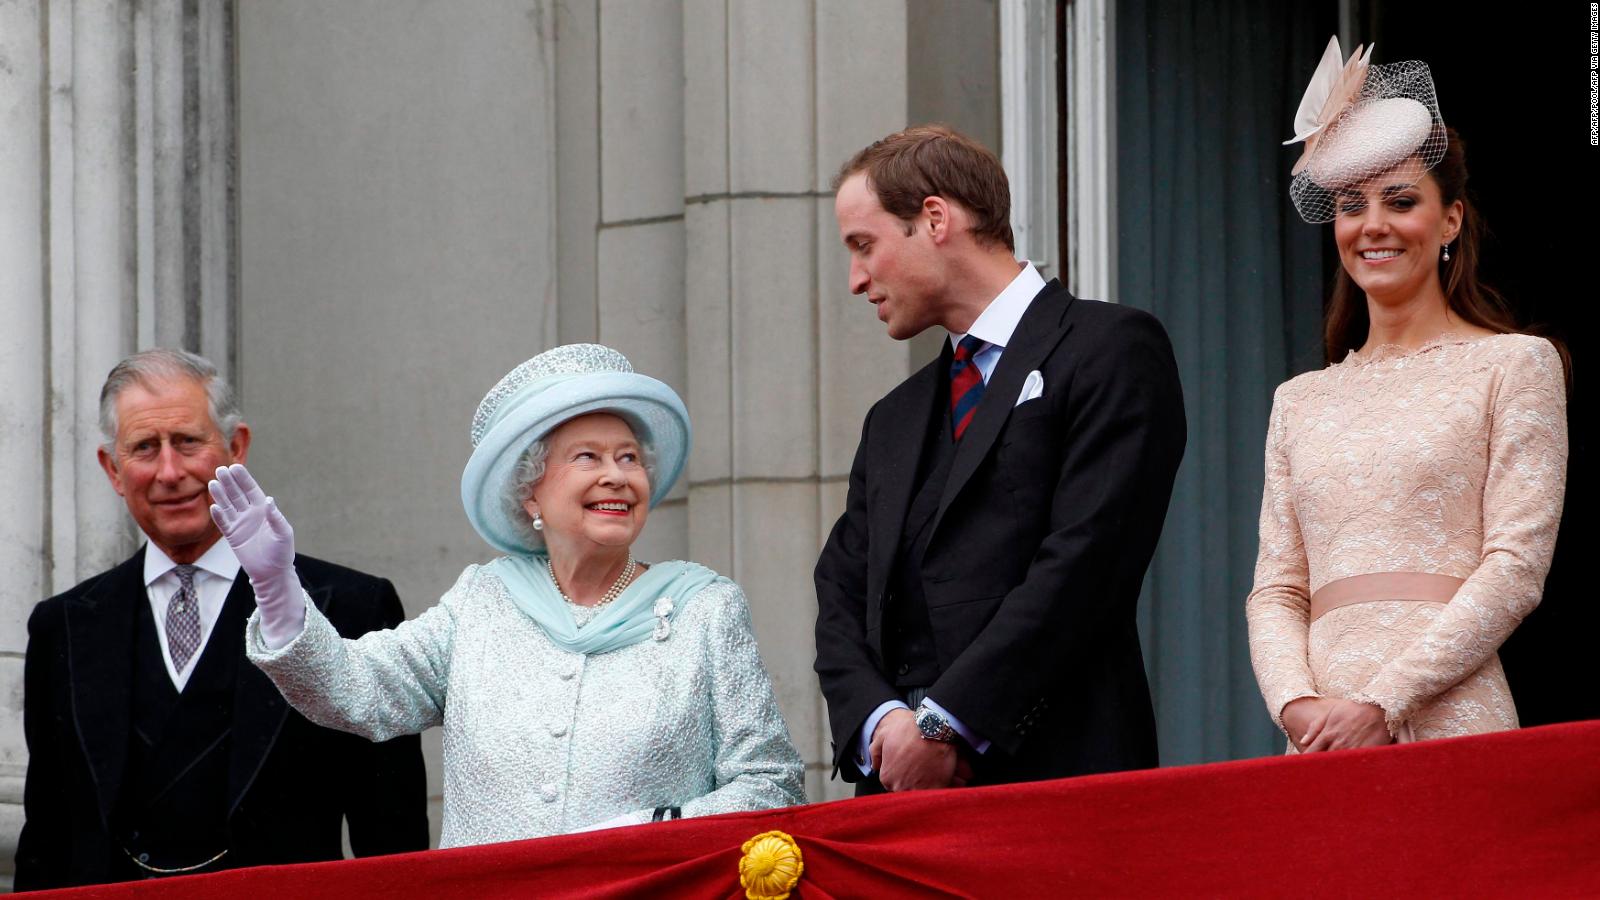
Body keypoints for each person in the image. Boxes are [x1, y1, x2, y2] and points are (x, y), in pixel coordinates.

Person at [212, 344, 805, 847]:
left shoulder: (705, 608)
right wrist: (276, 585)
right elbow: (356, 692)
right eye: (587, 458)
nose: (617, 475)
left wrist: (656, 828)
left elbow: (771, 781)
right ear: (531, 494)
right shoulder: (481, 603)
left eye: (629, 458)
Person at [814, 125, 1187, 794]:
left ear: (934, 219)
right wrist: (883, 729)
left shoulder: (1111, 349)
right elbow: (840, 593)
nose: (855, 279)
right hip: (898, 808)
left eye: (864, 246)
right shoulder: (892, 419)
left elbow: (1086, 562)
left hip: (1063, 789)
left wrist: (944, 725)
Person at [1246, 39, 1568, 751]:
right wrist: (1297, 707)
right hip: (1323, 738)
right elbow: (1276, 590)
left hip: (1452, 716)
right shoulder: (1299, 400)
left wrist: (1383, 701)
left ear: (1449, 220)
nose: (1374, 225)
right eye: (1350, 205)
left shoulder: (1514, 365)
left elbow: (1516, 568)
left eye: (1400, 200)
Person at [15, 349, 428, 891]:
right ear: (112, 469)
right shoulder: (63, 626)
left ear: (236, 447)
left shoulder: (349, 606)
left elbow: (392, 838)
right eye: (144, 448)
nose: (169, 471)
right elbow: (48, 837)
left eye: (188, 441)